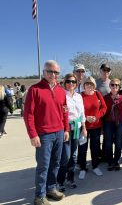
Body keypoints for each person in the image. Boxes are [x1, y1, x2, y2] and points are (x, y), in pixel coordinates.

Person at [24, 60, 69, 205]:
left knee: (56, 163)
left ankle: (51, 188)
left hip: (59, 132)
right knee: (43, 166)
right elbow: (28, 114)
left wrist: (66, 129)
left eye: (56, 72)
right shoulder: (35, 89)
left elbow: (65, 112)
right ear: (44, 72)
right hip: (44, 135)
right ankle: (40, 196)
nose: (53, 75)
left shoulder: (61, 91)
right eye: (50, 71)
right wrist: (33, 134)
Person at [57, 73, 87, 192]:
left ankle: (70, 178)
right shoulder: (62, 95)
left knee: (74, 156)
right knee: (65, 156)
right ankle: (60, 181)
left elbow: (82, 113)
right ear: (64, 82)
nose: (71, 84)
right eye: (68, 81)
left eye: (73, 82)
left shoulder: (79, 96)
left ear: (76, 84)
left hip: (77, 127)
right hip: (66, 128)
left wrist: (84, 127)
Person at [77, 76, 107, 180]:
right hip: (83, 127)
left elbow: (104, 107)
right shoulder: (80, 96)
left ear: (94, 86)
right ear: (83, 85)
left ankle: (95, 166)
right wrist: (85, 118)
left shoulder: (97, 94)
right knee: (82, 149)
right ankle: (82, 168)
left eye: (91, 84)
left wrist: (97, 116)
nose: (89, 86)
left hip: (96, 126)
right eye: (87, 84)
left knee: (95, 148)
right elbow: (77, 111)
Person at [103, 78, 122, 171]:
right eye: (112, 85)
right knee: (108, 143)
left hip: (120, 123)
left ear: (119, 87)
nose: (114, 87)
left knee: (118, 143)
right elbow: (103, 112)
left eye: (117, 85)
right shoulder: (105, 97)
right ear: (110, 86)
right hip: (108, 123)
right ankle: (110, 162)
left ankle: (116, 161)